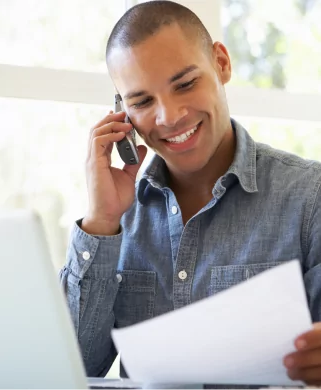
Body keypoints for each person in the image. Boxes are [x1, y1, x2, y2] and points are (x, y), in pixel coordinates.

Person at [60, 1, 321, 387]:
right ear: (121, 113)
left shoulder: (309, 197)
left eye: (185, 84)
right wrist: (101, 223)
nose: (169, 116)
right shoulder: (115, 218)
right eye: (142, 101)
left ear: (221, 63)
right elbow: (71, 370)